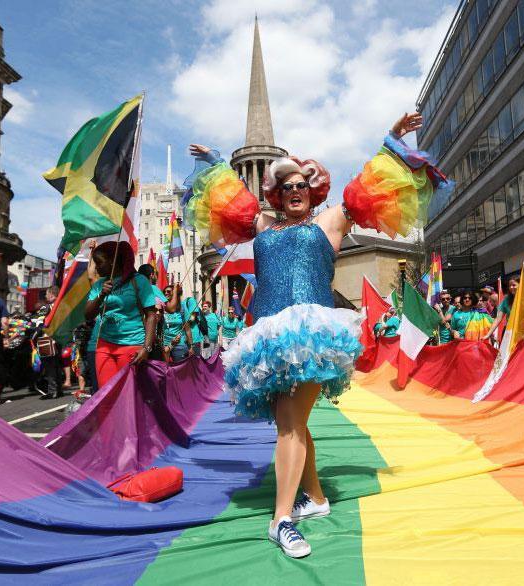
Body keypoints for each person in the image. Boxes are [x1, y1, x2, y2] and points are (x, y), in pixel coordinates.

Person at [186, 111, 451, 558]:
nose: (293, 191)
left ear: (313, 191)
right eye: (285, 186)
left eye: (301, 186)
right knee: (293, 424)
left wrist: (392, 142)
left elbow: (372, 186)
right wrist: (215, 163)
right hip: (267, 338)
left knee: (290, 427)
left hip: (311, 334)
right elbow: (230, 197)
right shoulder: (263, 226)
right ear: (274, 193)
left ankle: (281, 519)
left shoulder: (329, 223)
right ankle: (318, 499)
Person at [84, 241, 157, 388]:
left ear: (112, 262)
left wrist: (146, 348)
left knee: (128, 395)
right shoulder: (100, 285)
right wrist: (101, 296)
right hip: (104, 346)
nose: (97, 267)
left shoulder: (139, 281)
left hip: (131, 345)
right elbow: (88, 315)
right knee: (107, 395)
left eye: (100, 262)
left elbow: (151, 316)